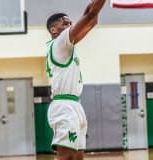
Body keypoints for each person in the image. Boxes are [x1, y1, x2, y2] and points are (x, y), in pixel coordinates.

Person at [45, 0, 106, 160]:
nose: (70, 24)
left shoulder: (66, 45)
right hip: (63, 107)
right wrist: (90, 11)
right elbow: (90, 15)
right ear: (54, 30)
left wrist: (91, 6)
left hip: (75, 105)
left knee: (78, 157)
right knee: (65, 156)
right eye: (65, 23)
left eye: (71, 22)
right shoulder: (59, 43)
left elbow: (92, 19)